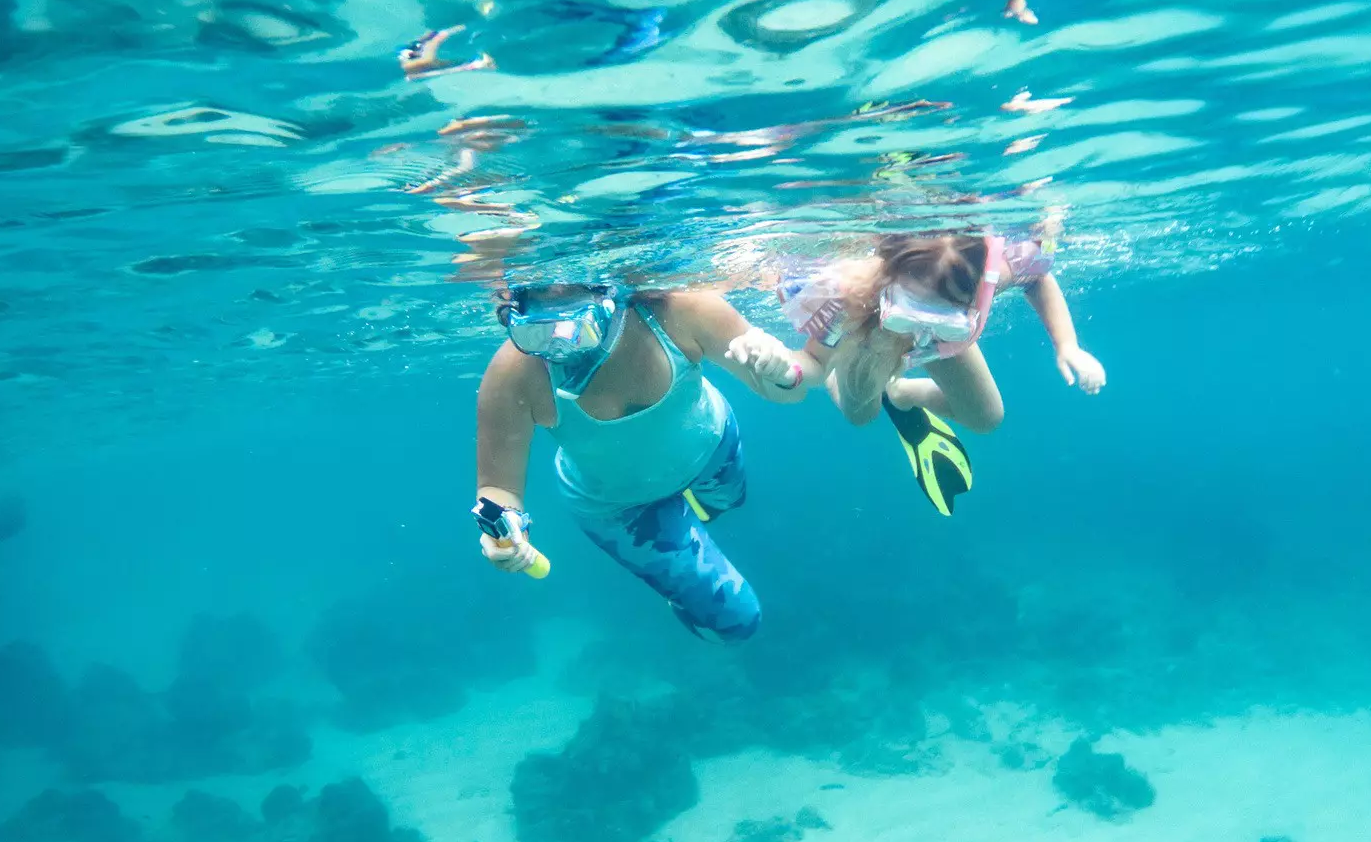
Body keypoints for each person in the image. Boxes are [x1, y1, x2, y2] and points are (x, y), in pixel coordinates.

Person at [473, 282, 816, 642]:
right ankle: (681, 593)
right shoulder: (513, 375)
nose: (559, 348)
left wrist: (781, 372)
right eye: (537, 332)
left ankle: (697, 522)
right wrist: (504, 531)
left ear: (612, 301)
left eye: (577, 327)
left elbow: (790, 394)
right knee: (736, 623)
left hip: (711, 448)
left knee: (728, 504)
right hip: (618, 508)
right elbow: (498, 489)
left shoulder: (684, 311)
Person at [776, 230, 1105, 514]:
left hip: (943, 347)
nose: (917, 336)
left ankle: (900, 394)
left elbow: (1037, 277)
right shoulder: (850, 294)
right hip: (871, 340)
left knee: (986, 417)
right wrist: (792, 367)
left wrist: (1068, 345)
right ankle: (849, 371)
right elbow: (811, 360)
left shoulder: (973, 277)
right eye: (909, 317)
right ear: (886, 281)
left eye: (942, 321)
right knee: (862, 414)